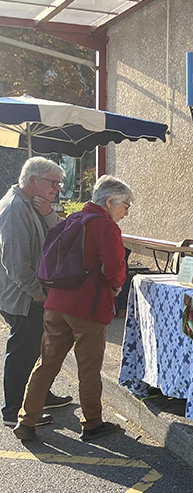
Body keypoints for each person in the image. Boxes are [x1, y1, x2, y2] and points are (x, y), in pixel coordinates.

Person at [13, 176, 132, 442]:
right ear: (110, 201)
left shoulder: (72, 219)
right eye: (125, 206)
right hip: (88, 306)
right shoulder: (106, 226)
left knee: (46, 363)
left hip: (56, 303)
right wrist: (116, 287)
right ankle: (92, 423)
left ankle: (26, 420)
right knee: (89, 368)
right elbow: (115, 268)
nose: (126, 212)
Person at [0, 157, 73, 429]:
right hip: (23, 296)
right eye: (53, 183)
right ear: (33, 180)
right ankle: (13, 411)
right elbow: (16, 263)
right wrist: (36, 293)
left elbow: (60, 235)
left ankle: (40, 395)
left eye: (59, 183)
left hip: (32, 293)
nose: (57, 188)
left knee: (38, 348)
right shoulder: (15, 208)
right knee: (23, 351)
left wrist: (48, 213)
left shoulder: (32, 205)